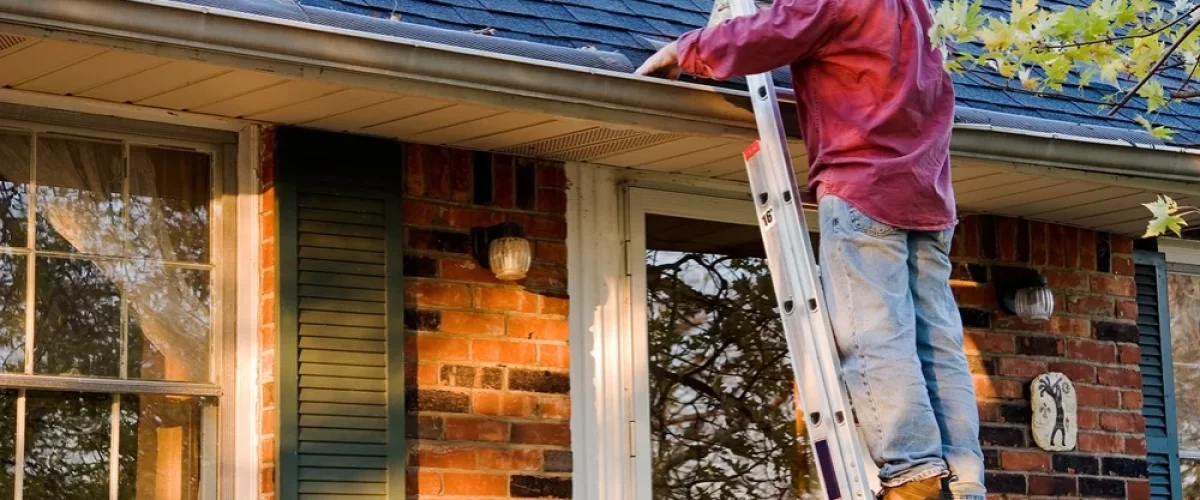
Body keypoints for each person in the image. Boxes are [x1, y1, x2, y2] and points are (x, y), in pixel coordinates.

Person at [635, 1, 985, 499]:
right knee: (937, 342)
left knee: (874, 335)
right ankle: (964, 475)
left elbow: (777, 28)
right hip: (929, 196)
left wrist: (684, 49)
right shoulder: (926, 9)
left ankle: (913, 472)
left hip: (865, 186)